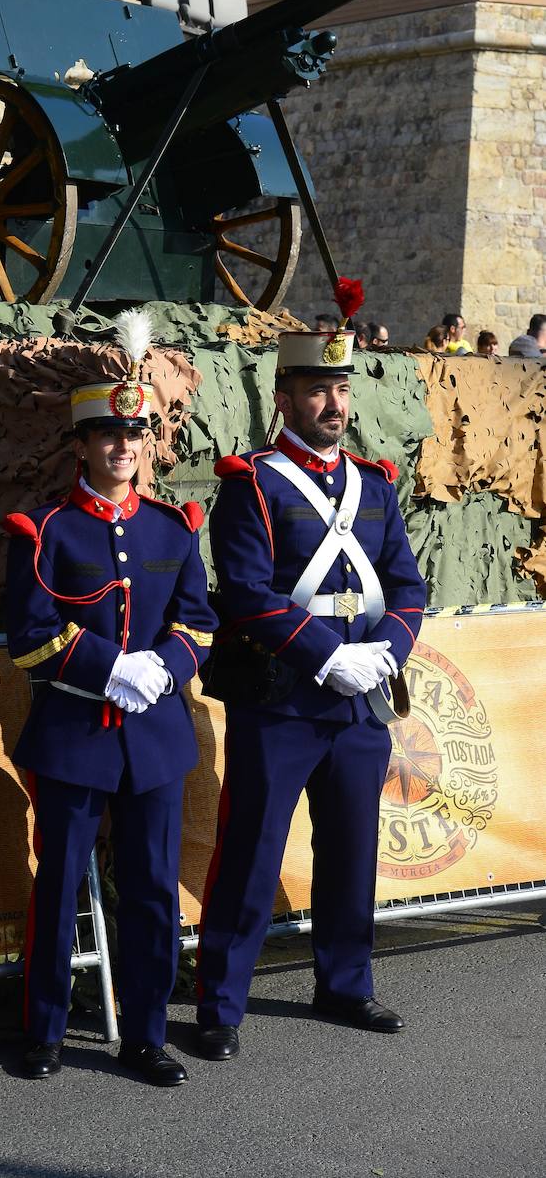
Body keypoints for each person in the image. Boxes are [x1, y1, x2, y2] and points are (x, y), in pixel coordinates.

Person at [194, 320, 426, 1063]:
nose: (332, 403)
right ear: (284, 396)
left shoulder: (372, 483)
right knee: (250, 852)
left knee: (353, 850)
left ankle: (346, 983)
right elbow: (248, 596)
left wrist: (384, 653)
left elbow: (406, 588)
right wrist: (327, 656)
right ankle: (219, 1002)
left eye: (341, 388)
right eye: (317, 389)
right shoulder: (251, 483)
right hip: (282, 699)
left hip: (359, 701)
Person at [5, 309, 217, 1087]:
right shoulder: (45, 529)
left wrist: (165, 664)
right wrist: (105, 668)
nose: (122, 448)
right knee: (57, 885)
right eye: (107, 437)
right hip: (73, 735)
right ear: (84, 445)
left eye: (134, 437)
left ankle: (145, 1035)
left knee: (154, 892)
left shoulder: (171, 527)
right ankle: (45, 1031)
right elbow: (28, 631)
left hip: (155, 739)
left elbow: (200, 618)